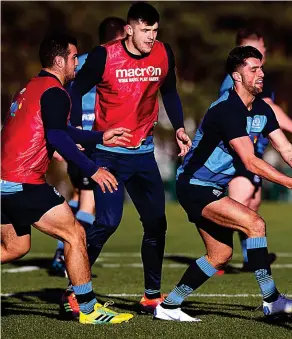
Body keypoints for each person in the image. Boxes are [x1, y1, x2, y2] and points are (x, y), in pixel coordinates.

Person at [154, 46, 292, 322]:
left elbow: (287, 149)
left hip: (211, 188)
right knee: (255, 223)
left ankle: (169, 305)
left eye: (261, 69)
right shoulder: (226, 109)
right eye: (253, 69)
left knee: (219, 254)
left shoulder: (263, 109)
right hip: (194, 185)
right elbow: (250, 161)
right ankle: (272, 301)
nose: (261, 74)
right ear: (236, 76)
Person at [66, 2, 192, 316]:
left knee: (156, 223)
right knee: (108, 221)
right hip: (107, 154)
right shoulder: (103, 56)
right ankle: (74, 290)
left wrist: (179, 128)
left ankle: (151, 296)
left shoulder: (163, 54)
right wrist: (79, 134)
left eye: (155, 30)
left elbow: (171, 92)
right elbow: (75, 90)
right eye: (146, 30)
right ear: (130, 28)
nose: (151, 36)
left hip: (143, 154)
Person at [1, 32, 133, 324]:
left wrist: (100, 137)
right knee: (75, 234)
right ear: (59, 61)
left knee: (15, 247)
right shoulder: (55, 92)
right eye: (74, 57)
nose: (77, 63)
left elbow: (60, 129)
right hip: (23, 181)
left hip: (5, 180)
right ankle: (88, 310)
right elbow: (57, 134)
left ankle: (86, 306)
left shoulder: (30, 88)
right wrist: (93, 169)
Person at [219, 27, 292, 272]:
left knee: (252, 203)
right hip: (239, 155)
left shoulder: (259, 83)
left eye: (262, 50)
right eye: (256, 50)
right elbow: (271, 113)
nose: (262, 56)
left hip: (254, 152)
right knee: (239, 204)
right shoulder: (235, 88)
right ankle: (218, 254)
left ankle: (251, 258)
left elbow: (282, 143)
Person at [50, 16, 127, 278]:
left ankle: (64, 250)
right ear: (116, 39)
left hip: (79, 140)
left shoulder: (80, 62)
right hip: (87, 144)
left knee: (77, 198)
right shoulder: (101, 63)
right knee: (88, 204)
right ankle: (65, 254)